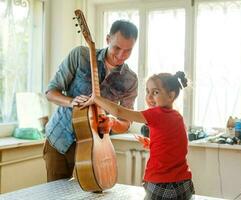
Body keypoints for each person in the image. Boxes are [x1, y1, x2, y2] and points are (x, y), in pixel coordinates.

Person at [43, 20, 138, 182]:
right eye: (117, 48)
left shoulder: (130, 79)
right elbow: (51, 92)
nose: (121, 55)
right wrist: (71, 101)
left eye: (128, 50)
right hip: (60, 141)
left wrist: (113, 123)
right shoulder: (80, 55)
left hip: (96, 149)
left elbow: (126, 122)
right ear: (108, 39)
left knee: (94, 194)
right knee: (57, 195)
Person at [81, 71, 195, 200]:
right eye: (147, 92)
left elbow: (119, 111)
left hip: (162, 183)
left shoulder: (156, 114)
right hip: (184, 183)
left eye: (155, 92)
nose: (149, 97)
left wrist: (96, 99)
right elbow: (176, 144)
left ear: (171, 95)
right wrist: (153, 143)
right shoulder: (177, 116)